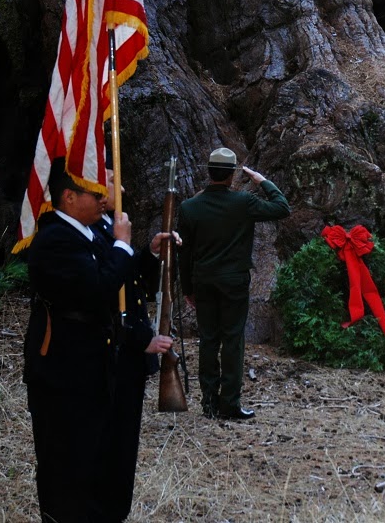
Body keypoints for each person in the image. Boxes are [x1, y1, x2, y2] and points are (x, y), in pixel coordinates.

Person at [23, 158, 135, 522]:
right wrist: (121, 246)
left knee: (90, 456)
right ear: (69, 197)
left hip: (87, 365)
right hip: (63, 370)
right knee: (65, 462)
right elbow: (97, 290)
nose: (104, 198)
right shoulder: (56, 238)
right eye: (95, 191)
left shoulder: (84, 232)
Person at [177, 148, 290, 420]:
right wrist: (262, 180)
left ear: (209, 172)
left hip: (203, 281)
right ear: (230, 176)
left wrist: (187, 288)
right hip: (234, 282)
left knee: (208, 340)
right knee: (232, 341)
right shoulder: (243, 202)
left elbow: (184, 252)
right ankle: (229, 402)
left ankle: (208, 403)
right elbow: (282, 207)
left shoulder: (189, 207)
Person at [94, 164, 176, 522]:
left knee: (123, 445)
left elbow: (128, 281)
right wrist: (142, 338)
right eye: (112, 180)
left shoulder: (106, 227)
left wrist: (150, 254)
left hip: (126, 353)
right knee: (111, 443)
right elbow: (105, 295)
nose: (122, 187)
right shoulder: (95, 233)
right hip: (115, 353)